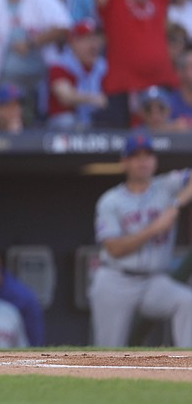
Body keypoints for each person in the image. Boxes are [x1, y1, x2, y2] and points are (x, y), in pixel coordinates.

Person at [88, 132, 192, 347]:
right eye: (136, 156)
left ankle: (186, 367)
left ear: (155, 160)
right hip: (116, 279)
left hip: (153, 281)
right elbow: (114, 248)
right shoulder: (111, 200)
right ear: (124, 162)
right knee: (108, 352)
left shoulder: (166, 186)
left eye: (148, 155)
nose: (143, 160)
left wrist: (175, 205)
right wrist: (154, 228)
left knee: (187, 302)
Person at [45, 18, 108, 131]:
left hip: (95, 121)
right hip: (64, 127)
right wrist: (93, 99)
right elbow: (66, 97)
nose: (93, 45)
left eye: (95, 38)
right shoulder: (59, 65)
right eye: (87, 39)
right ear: (73, 42)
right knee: (67, 121)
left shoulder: (103, 66)